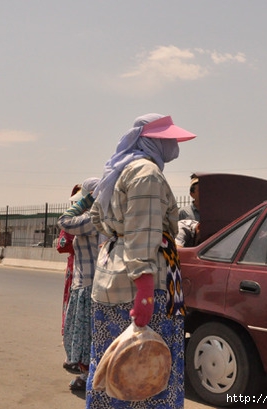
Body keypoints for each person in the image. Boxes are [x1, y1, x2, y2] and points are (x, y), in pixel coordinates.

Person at [86, 114, 195, 409]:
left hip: (112, 280)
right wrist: (145, 292)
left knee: (112, 367)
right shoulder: (147, 173)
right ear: (153, 141)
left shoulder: (119, 171)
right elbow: (142, 233)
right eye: (169, 139)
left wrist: (117, 235)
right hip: (141, 287)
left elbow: (98, 218)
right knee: (144, 373)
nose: (174, 144)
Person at [57, 177, 101, 392]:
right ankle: (88, 374)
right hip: (86, 283)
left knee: (87, 337)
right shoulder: (99, 217)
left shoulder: (93, 218)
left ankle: (89, 377)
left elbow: (64, 220)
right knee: (87, 336)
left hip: (89, 284)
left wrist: (86, 201)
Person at [56, 184, 81, 341]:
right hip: (75, 271)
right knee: (73, 307)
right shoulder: (72, 222)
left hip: (94, 272)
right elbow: (62, 244)